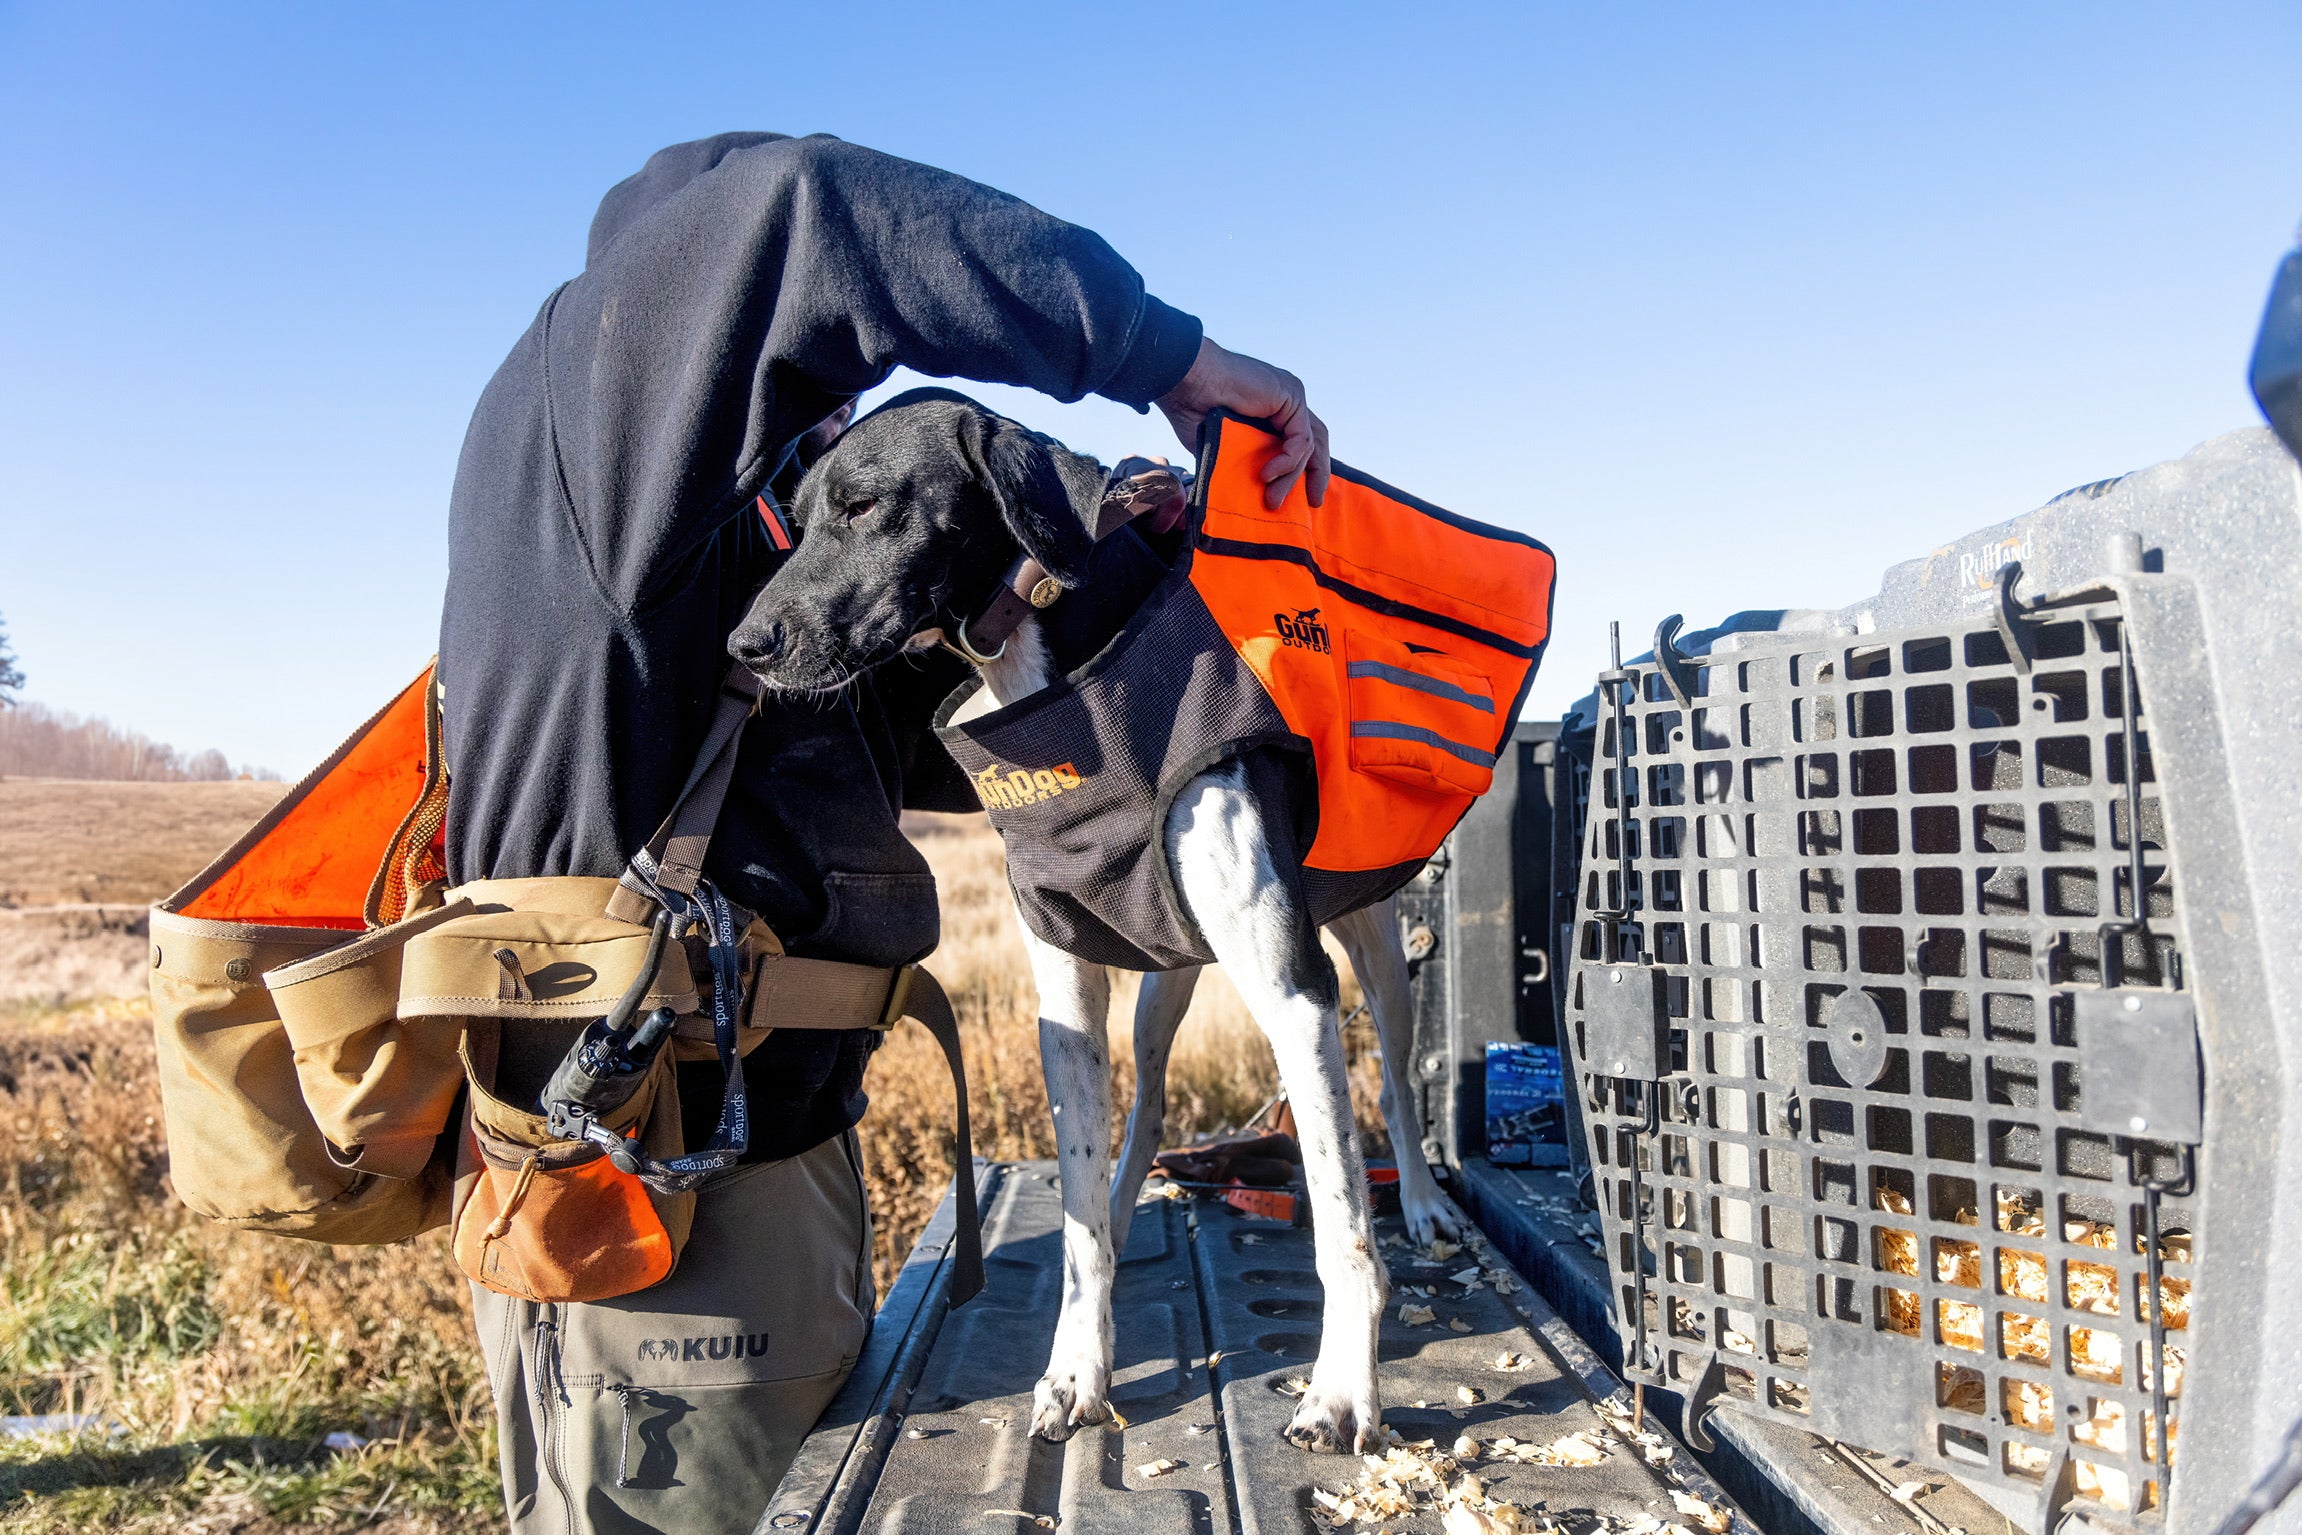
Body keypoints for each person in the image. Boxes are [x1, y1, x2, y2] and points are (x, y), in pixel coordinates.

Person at [438, 131, 1329, 1535]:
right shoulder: (592, 399)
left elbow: (867, 735)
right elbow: (815, 211)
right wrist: (1177, 362)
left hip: (756, 1161)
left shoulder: (692, 522)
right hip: (657, 1202)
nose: (840, 392)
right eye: (813, 363)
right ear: (700, 304)